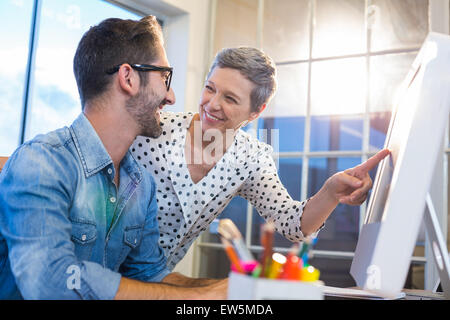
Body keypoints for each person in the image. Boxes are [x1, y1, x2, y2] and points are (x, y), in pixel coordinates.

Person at [0, 15, 226, 300]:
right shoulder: (42, 164)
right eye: (165, 77)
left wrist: (226, 291)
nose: (171, 97)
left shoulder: (142, 185)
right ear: (128, 77)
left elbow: (150, 277)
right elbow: (52, 282)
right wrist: (197, 299)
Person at [131, 47, 390, 270]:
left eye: (230, 98)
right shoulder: (152, 128)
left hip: (155, 282)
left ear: (256, 112)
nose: (212, 104)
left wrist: (331, 191)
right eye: (210, 89)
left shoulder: (251, 158)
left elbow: (292, 224)